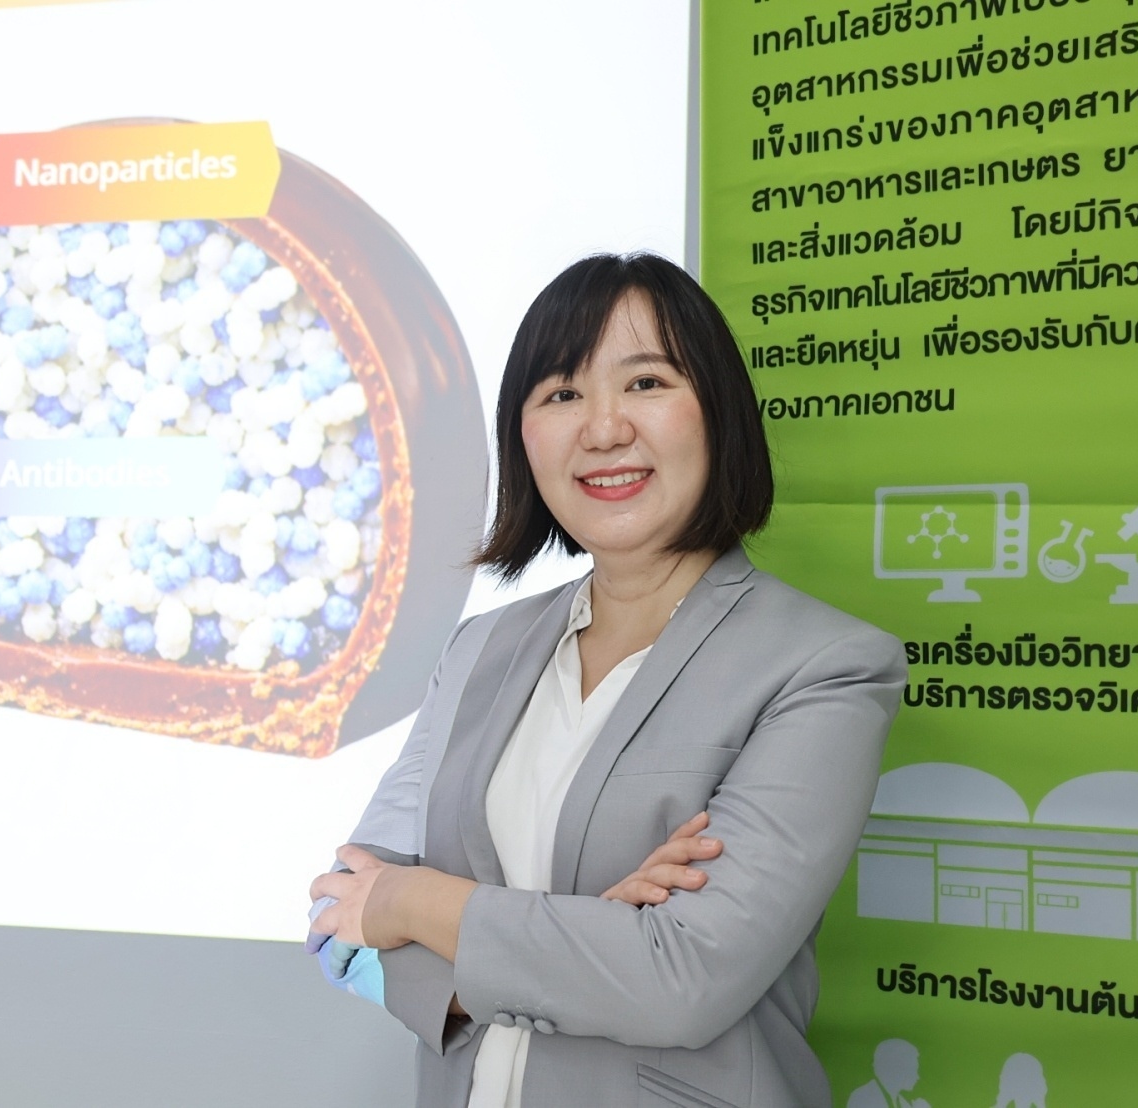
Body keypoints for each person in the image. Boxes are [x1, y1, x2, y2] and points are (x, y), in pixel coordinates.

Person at [308, 253, 906, 1108]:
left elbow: (681, 980)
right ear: (522, 437)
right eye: (561, 394)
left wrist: (411, 899)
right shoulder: (478, 649)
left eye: (647, 382)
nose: (603, 429)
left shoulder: (824, 666)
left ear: (719, 411)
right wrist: (592, 937)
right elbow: (339, 927)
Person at [846, 1039, 930, 1108]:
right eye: (913, 1071)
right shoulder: (862, 1097)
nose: (917, 1077)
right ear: (897, 1069)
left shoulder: (903, 1102)